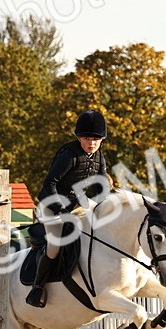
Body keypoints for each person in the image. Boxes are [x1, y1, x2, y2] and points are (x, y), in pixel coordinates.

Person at [27, 110, 112, 308]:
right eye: (87, 138)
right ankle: (37, 288)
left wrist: (106, 206)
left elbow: (101, 186)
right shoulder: (69, 155)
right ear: (79, 137)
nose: (91, 143)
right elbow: (50, 183)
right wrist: (60, 209)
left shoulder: (99, 156)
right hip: (52, 204)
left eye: (96, 139)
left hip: (77, 202)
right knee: (55, 247)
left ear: (102, 140)